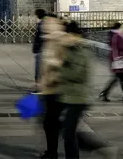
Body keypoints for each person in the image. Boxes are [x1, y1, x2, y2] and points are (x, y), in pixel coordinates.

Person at [57, 21, 114, 159]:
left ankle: (98, 147)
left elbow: (76, 74)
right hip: (70, 95)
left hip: (78, 98)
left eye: (65, 35)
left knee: (68, 132)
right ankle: (96, 148)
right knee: (66, 130)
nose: (63, 39)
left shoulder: (81, 51)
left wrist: (58, 69)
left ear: (73, 35)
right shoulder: (73, 49)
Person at [37, 14, 68, 159]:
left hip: (59, 90)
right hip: (49, 90)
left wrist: (54, 66)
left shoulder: (61, 41)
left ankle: (93, 145)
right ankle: (51, 151)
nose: (44, 26)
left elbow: (66, 64)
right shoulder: (48, 41)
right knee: (50, 123)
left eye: (48, 24)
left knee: (53, 124)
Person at [98, 22, 123, 103]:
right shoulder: (118, 36)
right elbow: (121, 47)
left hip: (119, 59)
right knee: (119, 78)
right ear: (119, 28)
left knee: (121, 78)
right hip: (119, 59)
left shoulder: (117, 36)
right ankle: (104, 94)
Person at [33, 9, 47, 86]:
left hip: (41, 50)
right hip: (41, 49)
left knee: (38, 69)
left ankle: (39, 86)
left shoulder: (42, 24)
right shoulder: (42, 23)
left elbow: (41, 38)